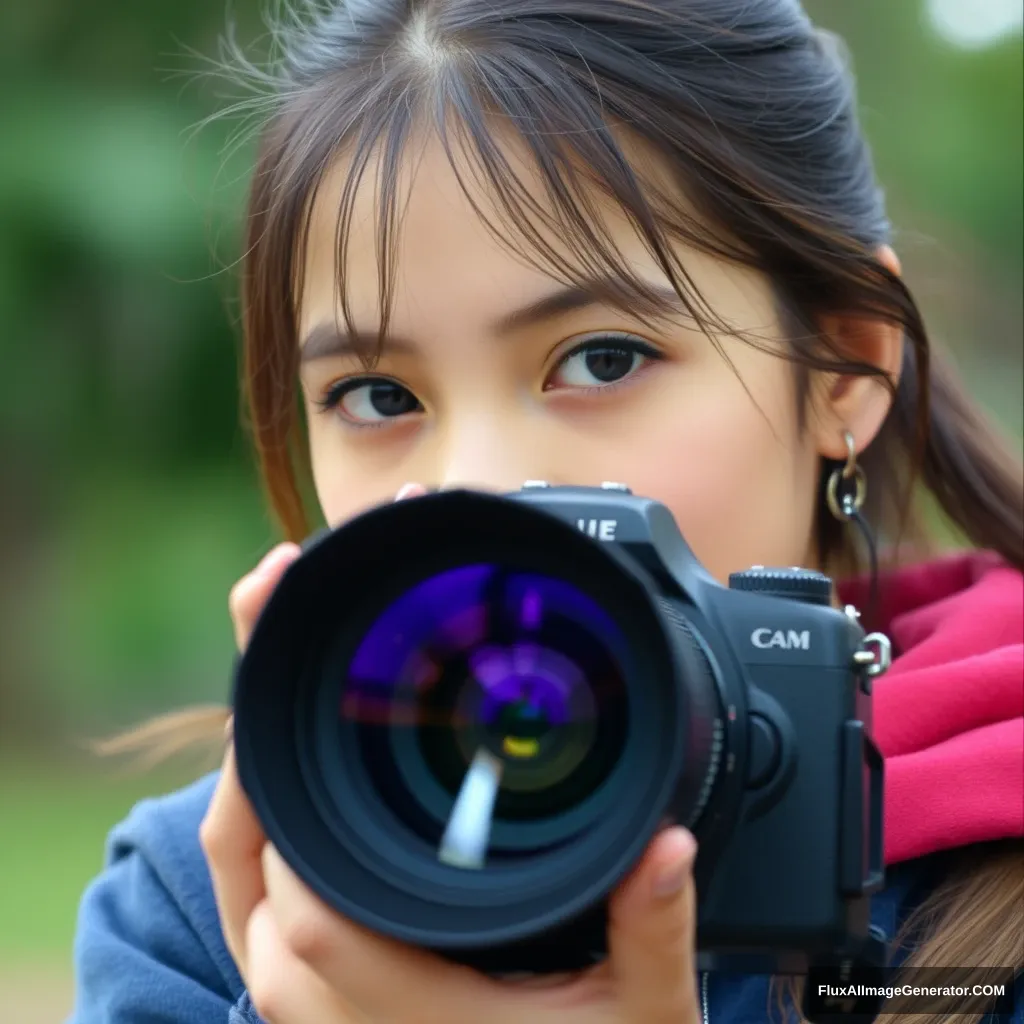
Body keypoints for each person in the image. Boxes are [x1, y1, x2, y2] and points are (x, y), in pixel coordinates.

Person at [67, 1, 1023, 1022]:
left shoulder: (993, 876)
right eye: (379, 397)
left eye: (601, 359)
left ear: (845, 365)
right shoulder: (217, 913)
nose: (480, 480)